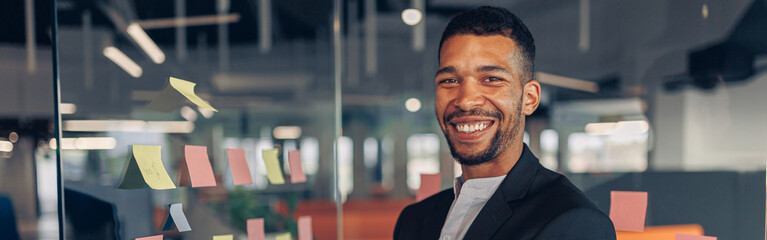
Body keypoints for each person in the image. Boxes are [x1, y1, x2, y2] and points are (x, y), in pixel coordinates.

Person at [393, 6, 616, 240]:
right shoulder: (414, 220)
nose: (466, 101)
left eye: (491, 79)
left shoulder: (574, 222)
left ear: (529, 99)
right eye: (450, 80)